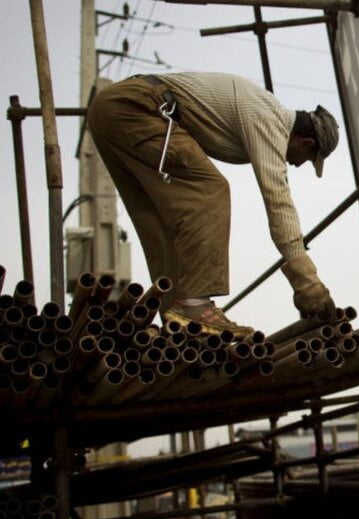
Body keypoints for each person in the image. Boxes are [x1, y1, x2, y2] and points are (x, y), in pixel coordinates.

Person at [88, 72, 340, 337]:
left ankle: (177, 318)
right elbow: (278, 199)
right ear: (306, 142)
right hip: (139, 108)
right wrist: (307, 281)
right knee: (211, 191)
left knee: (162, 221)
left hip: (111, 111)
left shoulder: (262, 112)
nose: (298, 164)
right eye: (308, 158)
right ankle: (195, 305)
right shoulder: (270, 122)